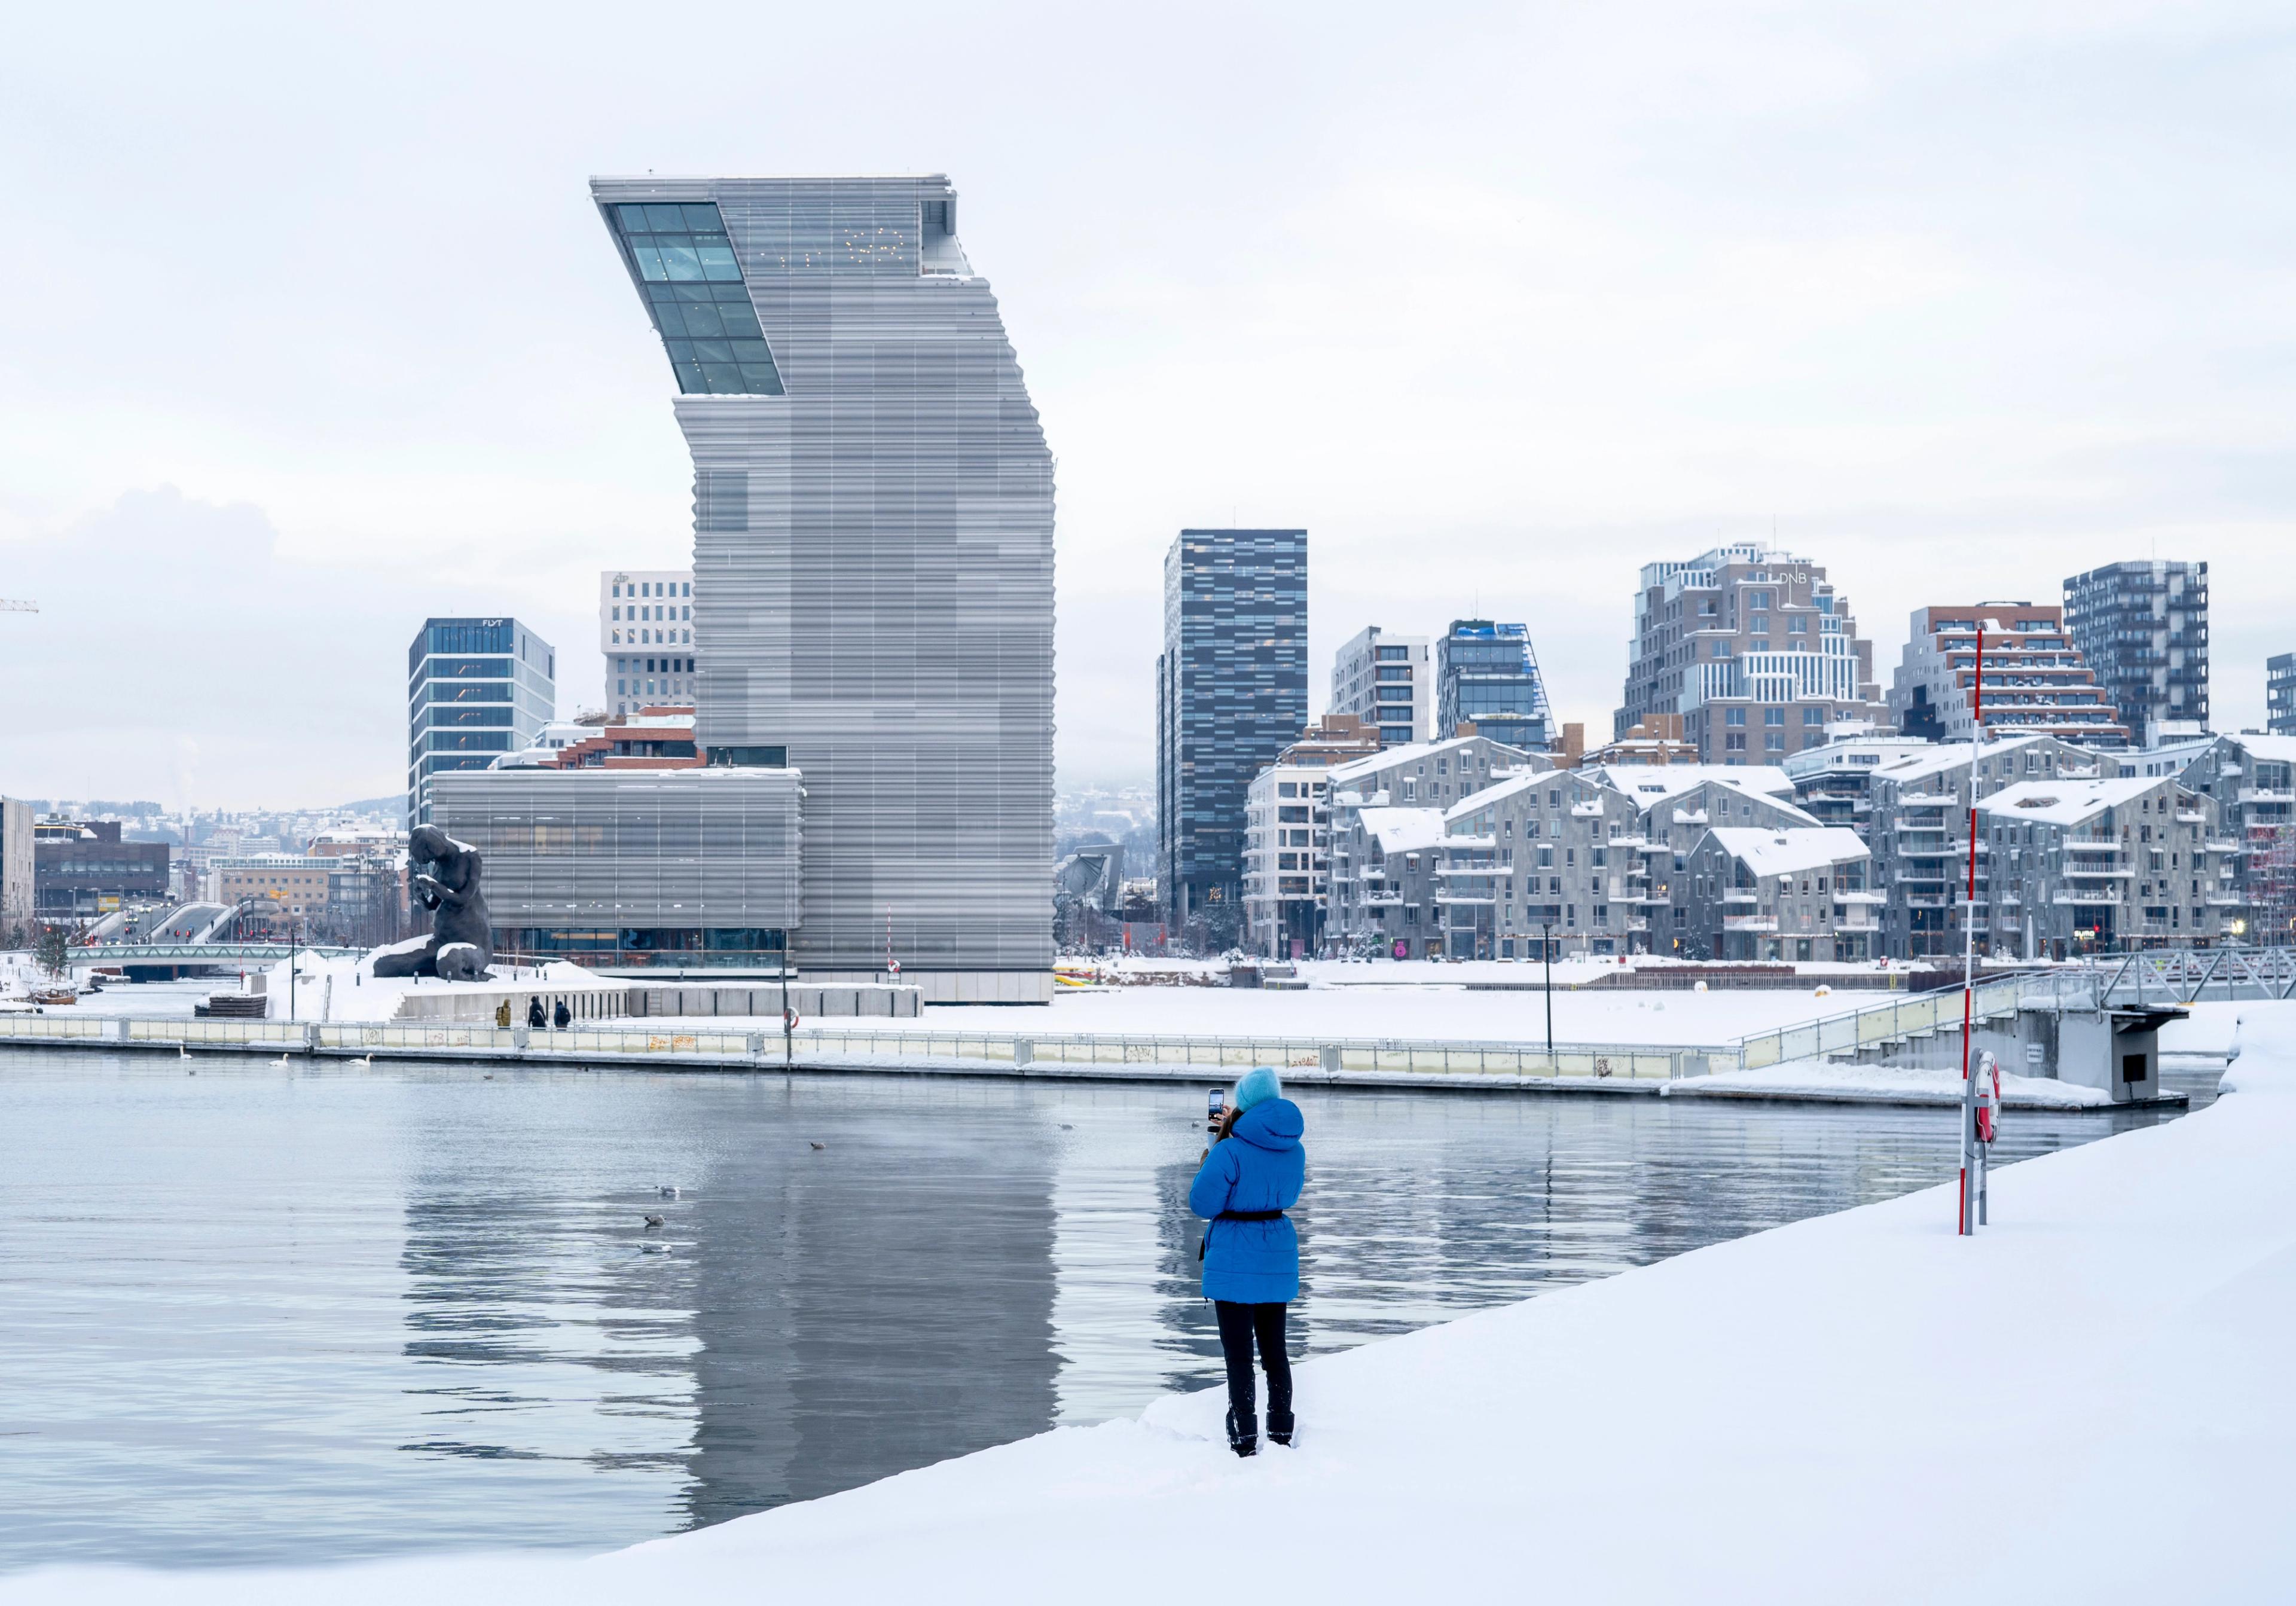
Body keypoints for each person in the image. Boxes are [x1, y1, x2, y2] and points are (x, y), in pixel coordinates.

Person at [1188, 1064, 1305, 1457]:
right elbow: (1289, 1194)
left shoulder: (1230, 1150)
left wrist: (1211, 1160)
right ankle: (1282, 1430)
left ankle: (1244, 1436)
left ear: (1244, 1104)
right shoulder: (1295, 1147)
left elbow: (1202, 1203)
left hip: (1236, 1255)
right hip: (1277, 1251)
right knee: (1275, 1350)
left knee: (1238, 1353)